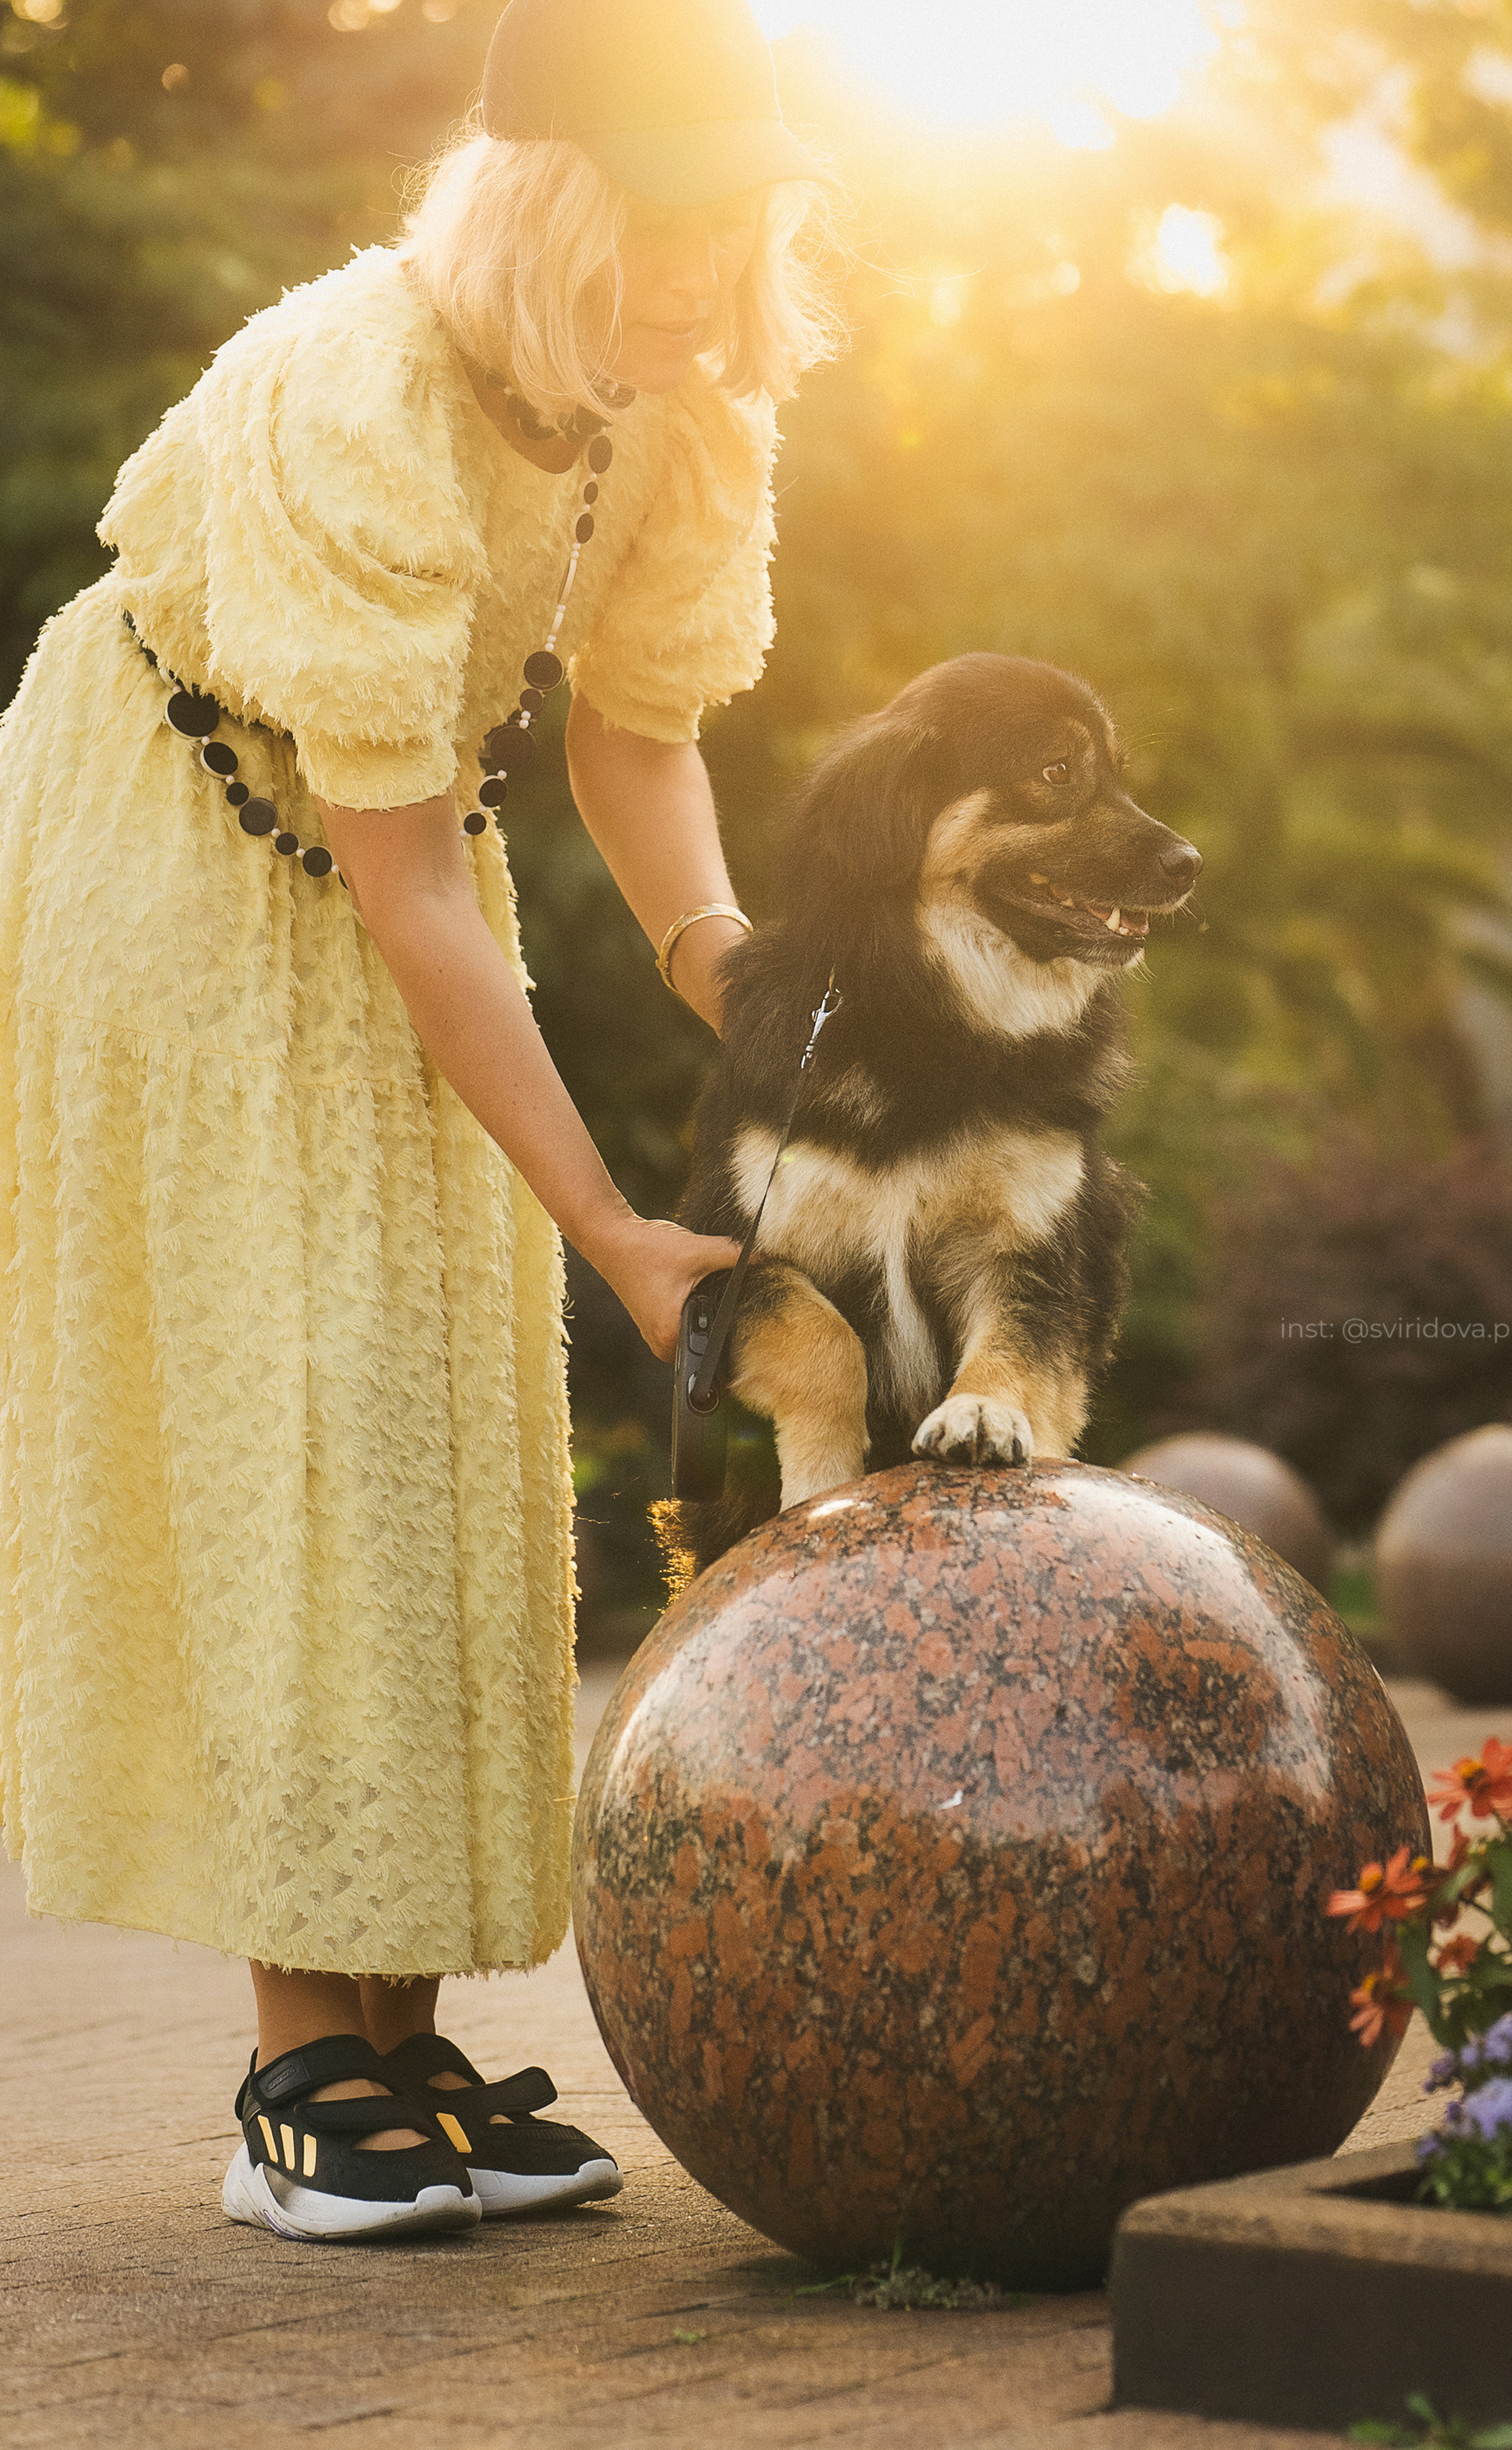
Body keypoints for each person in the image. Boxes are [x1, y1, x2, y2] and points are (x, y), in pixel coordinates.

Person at [0, 0, 839, 2242]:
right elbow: (401, 881)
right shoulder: (350, 392)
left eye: (727, 237)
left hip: (386, 863)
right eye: (651, 238)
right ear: (536, 209)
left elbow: (637, 745)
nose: (692, 284)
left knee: (424, 1416)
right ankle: (298, 2067)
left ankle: (396, 2034)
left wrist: (732, 973)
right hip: (172, 858)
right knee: (303, 1397)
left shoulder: (673, 414)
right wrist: (611, 1222)